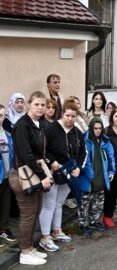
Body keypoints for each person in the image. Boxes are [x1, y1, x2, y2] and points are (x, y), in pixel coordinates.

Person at [9, 91, 52, 265]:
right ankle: (25, 252)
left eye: (43, 105)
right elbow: (26, 154)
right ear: (29, 105)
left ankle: (31, 248)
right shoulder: (22, 125)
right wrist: (42, 176)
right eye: (37, 104)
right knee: (28, 214)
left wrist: (50, 164)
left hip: (36, 172)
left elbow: (40, 152)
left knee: (36, 211)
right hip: (23, 175)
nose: (40, 108)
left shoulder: (40, 124)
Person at [39, 100, 86, 252]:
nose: (70, 119)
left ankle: (57, 231)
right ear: (62, 113)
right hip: (52, 172)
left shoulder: (77, 132)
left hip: (69, 174)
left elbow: (83, 152)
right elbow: (43, 149)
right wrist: (52, 162)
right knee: (49, 205)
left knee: (59, 203)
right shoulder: (51, 128)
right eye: (67, 115)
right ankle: (45, 237)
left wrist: (78, 167)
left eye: (73, 116)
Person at [79, 118, 116, 235]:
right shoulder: (85, 140)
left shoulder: (105, 140)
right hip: (88, 178)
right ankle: (83, 225)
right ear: (91, 128)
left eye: (100, 128)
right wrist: (91, 176)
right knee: (84, 203)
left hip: (102, 176)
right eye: (95, 128)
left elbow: (111, 156)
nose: (98, 131)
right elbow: (84, 161)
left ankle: (94, 221)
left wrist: (112, 171)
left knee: (98, 201)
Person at [0, 104, 16, 248]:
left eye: (2, 115)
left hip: (6, 175)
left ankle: (3, 229)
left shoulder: (7, 134)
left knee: (5, 203)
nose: (0, 118)